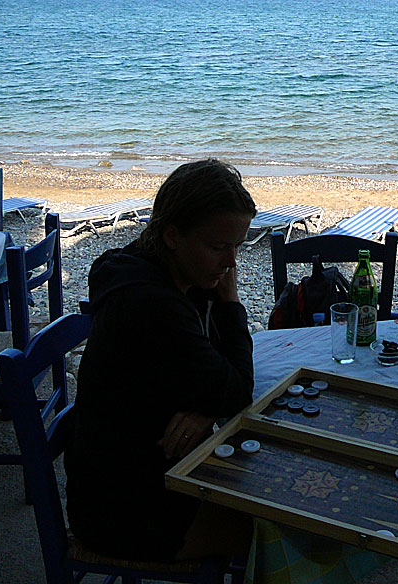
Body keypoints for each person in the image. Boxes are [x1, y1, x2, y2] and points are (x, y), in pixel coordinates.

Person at [65, 159, 257, 561]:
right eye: (219, 247)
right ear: (173, 235)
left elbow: (215, 374)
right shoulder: (151, 304)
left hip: (143, 475)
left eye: (237, 246)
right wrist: (231, 301)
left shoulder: (163, 269)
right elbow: (237, 388)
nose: (231, 263)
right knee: (283, 528)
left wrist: (206, 404)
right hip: (126, 513)